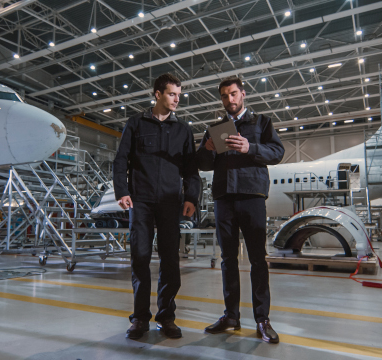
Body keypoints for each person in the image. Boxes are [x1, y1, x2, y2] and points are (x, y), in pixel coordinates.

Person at [196, 77, 285, 343]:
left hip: (252, 197)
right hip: (224, 199)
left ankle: (262, 320)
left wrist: (251, 147)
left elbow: (278, 152)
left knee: (258, 258)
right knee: (228, 260)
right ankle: (231, 316)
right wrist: (208, 150)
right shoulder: (215, 128)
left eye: (233, 94)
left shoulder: (261, 123)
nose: (229, 100)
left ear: (243, 94)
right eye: (224, 96)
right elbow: (202, 163)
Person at [113, 73, 200, 340]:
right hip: (141, 201)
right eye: (172, 94)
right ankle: (140, 318)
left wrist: (191, 198)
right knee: (139, 258)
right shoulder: (136, 123)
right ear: (158, 94)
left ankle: (166, 317)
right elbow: (121, 160)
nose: (177, 99)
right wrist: (122, 191)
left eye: (179, 95)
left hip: (170, 203)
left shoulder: (183, 130)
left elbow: (191, 170)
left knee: (170, 260)